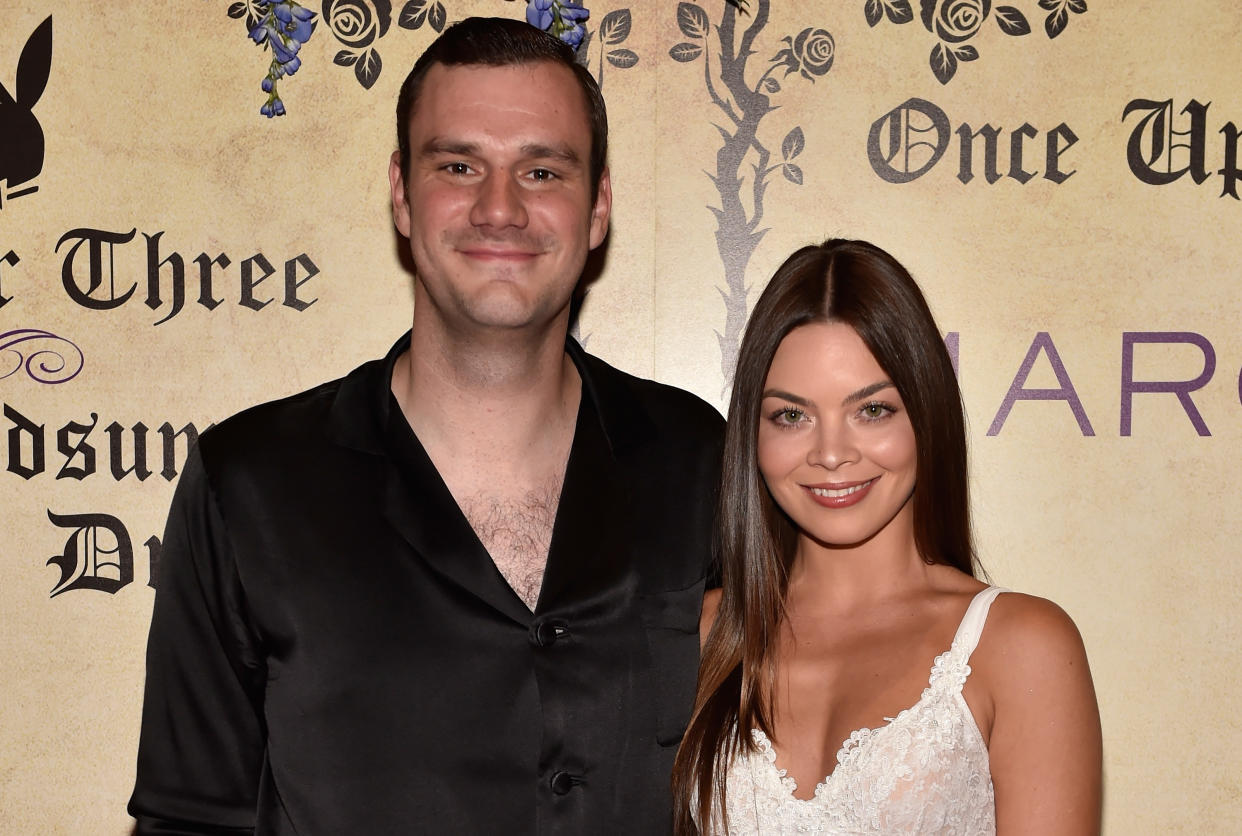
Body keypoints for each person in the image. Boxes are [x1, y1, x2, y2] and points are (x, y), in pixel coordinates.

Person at [128, 17, 723, 835]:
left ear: (598, 208)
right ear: (403, 196)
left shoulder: (701, 459)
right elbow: (189, 819)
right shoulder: (250, 483)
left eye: (543, 170)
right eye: (458, 165)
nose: (500, 208)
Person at [671, 240, 1102, 834]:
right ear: (753, 434)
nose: (829, 454)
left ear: (925, 413)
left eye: (871, 410)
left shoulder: (1019, 646)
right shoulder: (696, 637)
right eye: (791, 416)